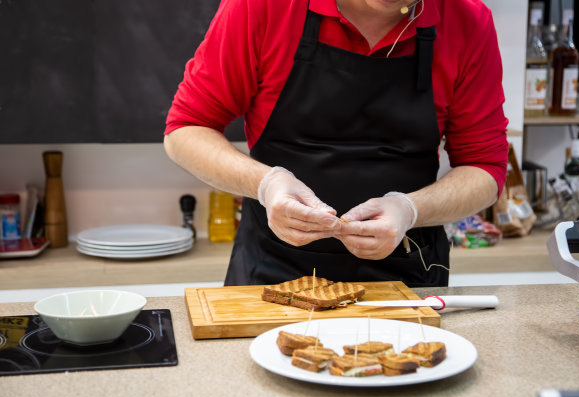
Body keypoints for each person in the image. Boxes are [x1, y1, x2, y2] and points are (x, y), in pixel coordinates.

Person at [164, 0, 509, 287]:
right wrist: (267, 184)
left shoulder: (467, 21)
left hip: (406, 277)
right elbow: (186, 129)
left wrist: (410, 209)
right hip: (272, 273)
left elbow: (485, 168)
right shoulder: (264, 6)